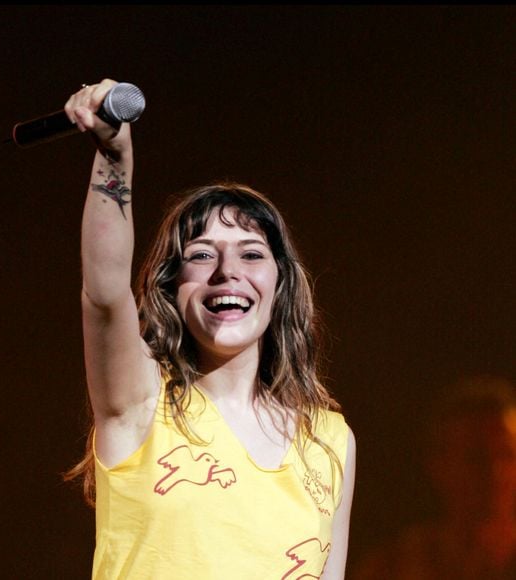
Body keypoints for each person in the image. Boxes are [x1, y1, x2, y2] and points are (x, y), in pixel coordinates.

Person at [62, 78, 356, 579]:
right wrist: (115, 155)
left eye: (251, 254)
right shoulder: (139, 399)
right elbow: (105, 291)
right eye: (201, 255)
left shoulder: (330, 440)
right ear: (172, 287)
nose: (227, 272)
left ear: (280, 285)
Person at [353, 374, 516, 579]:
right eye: (476, 457)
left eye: (508, 454)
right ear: (438, 464)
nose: (496, 471)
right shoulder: (393, 568)